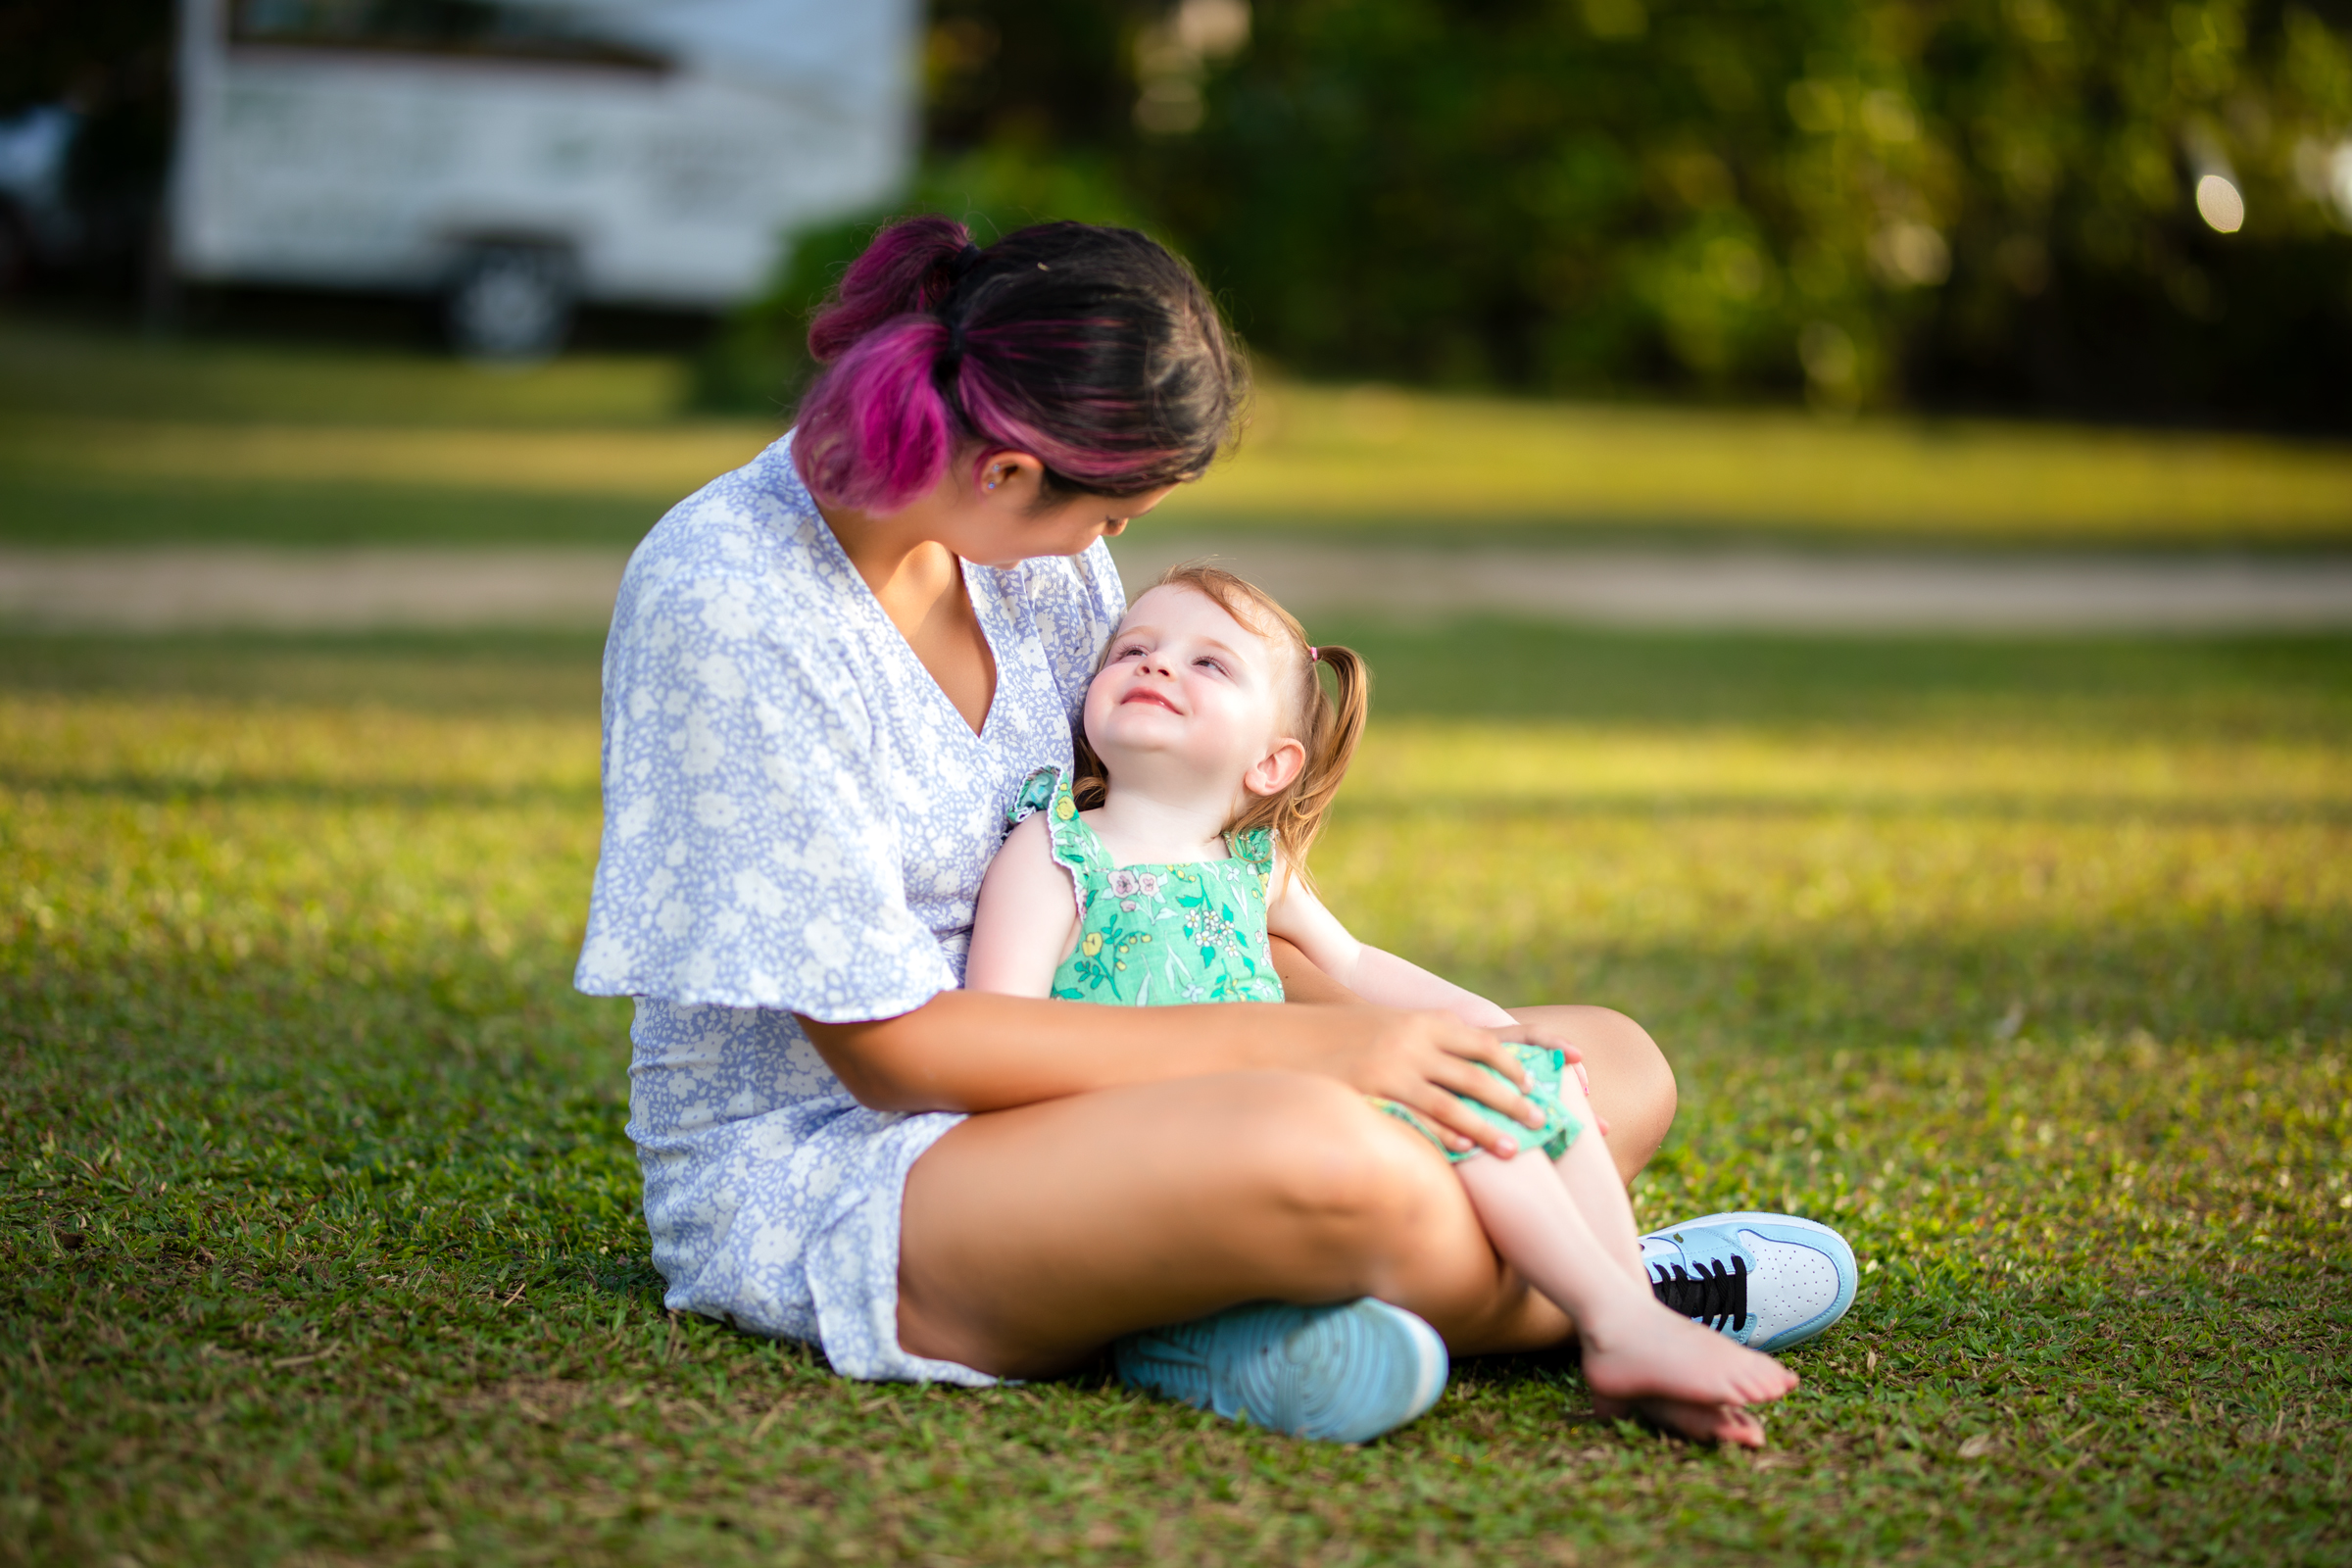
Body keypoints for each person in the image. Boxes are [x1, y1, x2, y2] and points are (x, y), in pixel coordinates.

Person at [574, 215, 1857, 1449]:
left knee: (1600, 1066)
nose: (1109, 549)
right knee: (1343, 1156)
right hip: (872, 1166)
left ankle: (1261, 1323)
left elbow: (1148, 856)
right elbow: (894, 1056)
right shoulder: (732, 599)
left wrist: (1420, 1034)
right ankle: (1617, 1289)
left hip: (1134, 1076)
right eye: (1116, 516)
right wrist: (1337, 1054)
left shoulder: (1027, 549)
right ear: (1008, 470)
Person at [964, 564, 1805, 1444]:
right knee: (1440, 1103)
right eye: (1134, 648)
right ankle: (1611, 1315)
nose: (1159, 666)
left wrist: (1493, 1029)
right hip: (1151, 1141)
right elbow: (1003, 1031)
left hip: (1279, 1109)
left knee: (1524, 1079)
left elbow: (1356, 961)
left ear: (1272, 763)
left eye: (1209, 664)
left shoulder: (1250, 867)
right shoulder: (1057, 852)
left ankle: (1631, 1317)